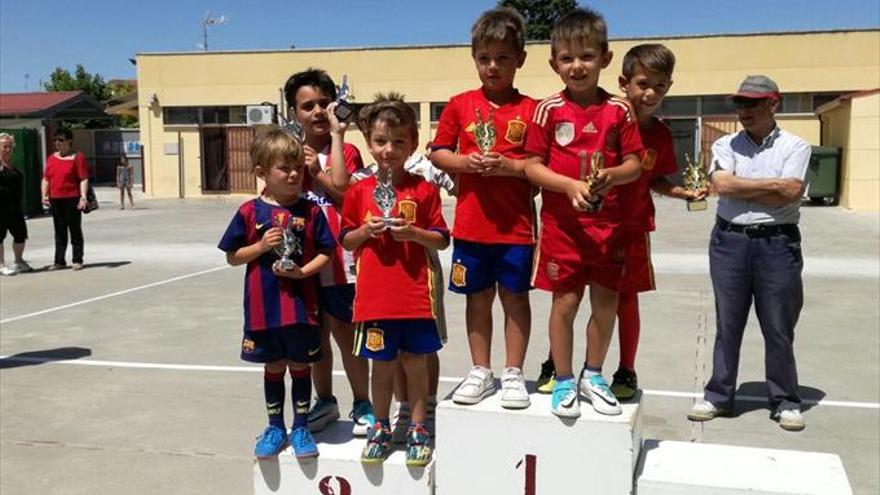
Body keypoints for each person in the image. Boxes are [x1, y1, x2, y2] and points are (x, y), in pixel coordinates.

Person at [536, 44, 709, 400]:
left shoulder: (659, 135)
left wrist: (681, 193)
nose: (650, 94)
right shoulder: (606, 116)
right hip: (585, 220)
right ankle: (558, 364)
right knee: (567, 297)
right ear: (624, 82)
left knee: (622, 301)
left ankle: (625, 369)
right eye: (643, 84)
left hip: (631, 225)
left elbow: (655, 179)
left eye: (660, 87)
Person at [523, 7, 643, 418]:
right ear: (554, 63)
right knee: (565, 303)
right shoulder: (548, 110)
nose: (578, 66)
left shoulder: (620, 111)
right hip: (564, 228)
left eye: (587, 56)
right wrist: (569, 185)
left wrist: (611, 175)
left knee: (606, 302)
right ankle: (563, 377)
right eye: (568, 58)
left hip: (608, 226)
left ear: (605, 58)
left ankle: (594, 374)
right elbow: (532, 165)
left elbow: (635, 163)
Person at [687, 75, 810, 431]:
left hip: (778, 244)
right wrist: (772, 185)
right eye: (740, 104)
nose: (744, 111)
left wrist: (743, 189)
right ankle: (719, 395)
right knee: (729, 323)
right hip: (730, 242)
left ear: (774, 104)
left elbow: (791, 191)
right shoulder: (726, 145)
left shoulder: (795, 146)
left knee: (778, 325)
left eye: (753, 103)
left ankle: (785, 399)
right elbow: (722, 184)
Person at [431, 7, 538, 409]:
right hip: (472, 227)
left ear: (520, 60)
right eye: (484, 58)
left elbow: (541, 164)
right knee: (477, 299)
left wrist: (511, 166)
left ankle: (513, 371)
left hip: (516, 230)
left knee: (514, 298)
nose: (493, 66)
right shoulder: (460, 105)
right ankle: (481, 369)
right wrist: (464, 162)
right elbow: (439, 152)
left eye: (503, 58)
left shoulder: (532, 110)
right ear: (474, 58)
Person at [340, 95, 449, 466]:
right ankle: (381, 425)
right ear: (368, 142)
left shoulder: (425, 190)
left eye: (398, 142)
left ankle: (418, 426)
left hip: (415, 296)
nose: (389, 150)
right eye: (381, 141)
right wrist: (366, 231)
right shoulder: (357, 192)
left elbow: (441, 238)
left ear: (413, 144)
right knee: (382, 365)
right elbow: (346, 240)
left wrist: (416, 234)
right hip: (374, 300)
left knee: (416, 362)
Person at [218, 129, 335, 459]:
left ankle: (300, 426)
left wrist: (302, 272)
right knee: (273, 366)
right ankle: (274, 426)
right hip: (263, 308)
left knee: (300, 365)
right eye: (285, 168)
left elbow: (327, 252)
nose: (295, 174)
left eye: (298, 166)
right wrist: (258, 246)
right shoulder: (249, 212)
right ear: (261, 173)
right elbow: (231, 256)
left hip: (301, 307)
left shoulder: (311, 211)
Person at [283, 68, 374, 436]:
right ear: (294, 112)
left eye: (324, 103)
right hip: (304, 262)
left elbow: (349, 194)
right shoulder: (288, 152)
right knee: (315, 334)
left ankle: (362, 401)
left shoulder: (346, 150)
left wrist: (315, 171)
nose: (318, 111)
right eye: (308, 106)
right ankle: (325, 400)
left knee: (346, 330)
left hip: (342, 262)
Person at [41, 128, 89, 271]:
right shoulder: (51, 158)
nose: (57, 143)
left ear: (69, 141)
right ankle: (59, 261)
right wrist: (44, 195)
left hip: (72, 198)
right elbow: (46, 179)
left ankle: (77, 259)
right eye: (56, 140)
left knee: (74, 230)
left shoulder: (77, 157)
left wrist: (83, 197)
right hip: (56, 199)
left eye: (61, 140)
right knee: (59, 231)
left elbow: (83, 178)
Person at [0, 133, 33, 276]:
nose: (8, 149)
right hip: (0, 207)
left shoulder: (12, 165)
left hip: (15, 206)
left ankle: (18, 261)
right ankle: (1, 265)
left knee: (20, 234)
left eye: (10, 146)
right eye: (4, 147)